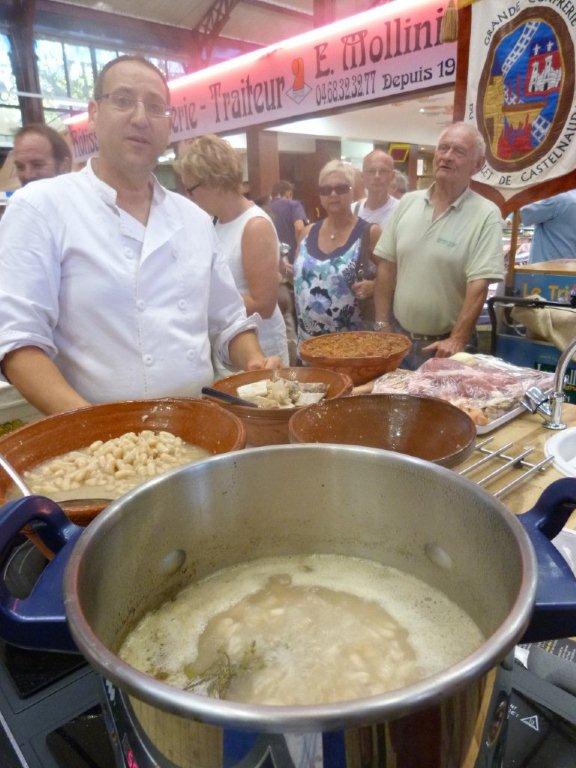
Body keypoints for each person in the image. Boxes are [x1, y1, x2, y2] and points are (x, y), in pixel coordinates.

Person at [0, 56, 280, 415]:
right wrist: (99, 428)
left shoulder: (193, 218)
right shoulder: (41, 207)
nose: (140, 117)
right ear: (94, 113)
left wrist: (253, 360)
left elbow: (228, 320)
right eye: (122, 100)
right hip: (94, 443)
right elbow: (19, 342)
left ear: (168, 125)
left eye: (155, 107)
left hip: (198, 425)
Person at [373, 121, 504, 369]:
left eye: (458, 151)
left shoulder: (486, 214)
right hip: (398, 340)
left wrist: (457, 339)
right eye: (443, 148)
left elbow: (479, 285)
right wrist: (382, 325)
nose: (447, 157)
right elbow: (386, 267)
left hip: (444, 348)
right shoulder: (407, 203)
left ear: (477, 165)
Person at [177, 134, 289, 377]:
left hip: (259, 347)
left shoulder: (254, 226)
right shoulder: (215, 222)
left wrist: (204, 296)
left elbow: (264, 304)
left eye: (190, 189)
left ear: (213, 182)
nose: (189, 197)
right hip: (231, 345)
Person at [293, 160, 381, 343]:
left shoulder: (370, 233)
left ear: (353, 191)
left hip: (352, 348)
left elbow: (393, 278)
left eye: (341, 188)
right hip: (309, 347)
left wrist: (375, 287)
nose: (333, 194)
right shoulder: (307, 233)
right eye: (326, 190)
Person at [267, 180, 308, 365]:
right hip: (288, 267)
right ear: (288, 193)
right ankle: (293, 361)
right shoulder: (294, 205)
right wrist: (300, 253)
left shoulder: (265, 209)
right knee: (289, 316)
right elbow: (300, 227)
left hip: (271, 270)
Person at [520, 190, 576, 263]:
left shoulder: (558, 199)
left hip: (546, 267)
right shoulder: (569, 198)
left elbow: (522, 215)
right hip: (569, 265)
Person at [352, 149, 398, 227]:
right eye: (371, 171)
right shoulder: (351, 211)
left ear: (392, 176)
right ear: (362, 176)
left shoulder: (401, 211)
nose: (377, 176)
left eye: (383, 171)